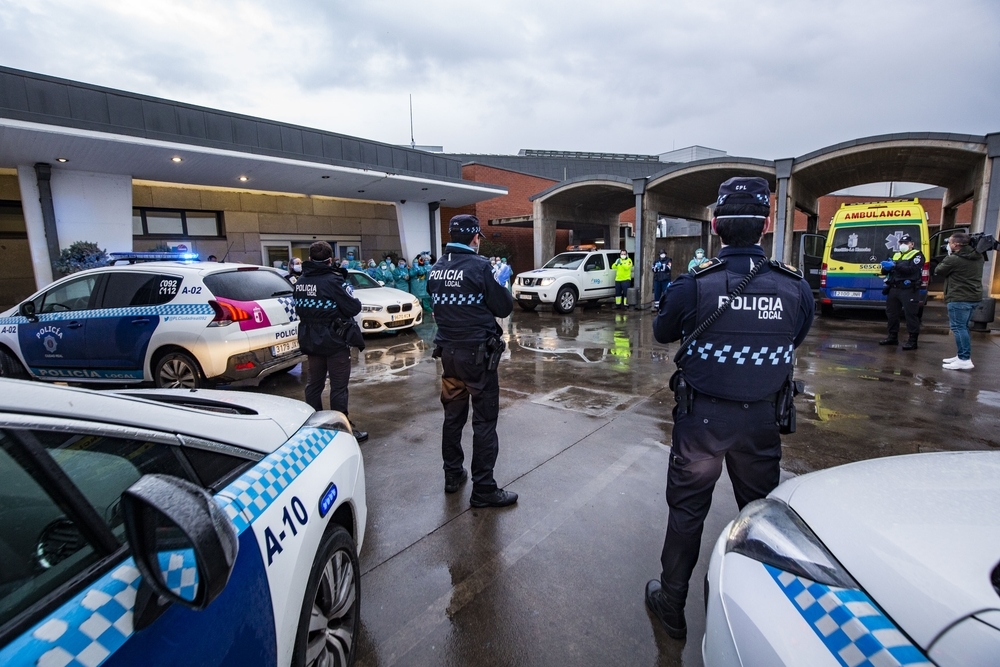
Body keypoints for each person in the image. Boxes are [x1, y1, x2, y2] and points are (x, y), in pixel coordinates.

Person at [646, 177, 813, 640]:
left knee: (686, 512)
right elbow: (794, 337)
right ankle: (764, 614)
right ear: (765, 226)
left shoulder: (693, 284)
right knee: (759, 516)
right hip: (762, 419)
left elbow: (662, 333)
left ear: (716, 225)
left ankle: (672, 604)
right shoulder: (793, 286)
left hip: (702, 421)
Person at [427, 215, 516, 507]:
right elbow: (503, 306)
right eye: (478, 237)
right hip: (477, 359)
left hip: (449, 356)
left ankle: (452, 475)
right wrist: (500, 284)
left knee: (453, 418)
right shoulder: (480, 267)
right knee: (484, 421)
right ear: (475, 238)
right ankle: (484, 489)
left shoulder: (436, 268)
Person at [293, 241, 368, 443]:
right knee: (338, 386)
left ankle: (314, 425)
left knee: (314, 384)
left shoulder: (300, 282)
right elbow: (353, 307)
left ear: (309, 260)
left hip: (311, 340)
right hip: (335, 341)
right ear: (330, 260)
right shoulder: (334, 281)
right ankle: (340, 427)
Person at [935, 231, 984, 370]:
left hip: (959, 297)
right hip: (973, 296)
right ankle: (962, 355)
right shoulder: (978, 256)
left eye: (950, 243)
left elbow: (939, 270)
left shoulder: (954, 259)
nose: (948, 245)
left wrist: (949, 256)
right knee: (964, 327)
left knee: (959, 328)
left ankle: (964, 359)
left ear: (956, 245)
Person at [878, 233, 924, 350]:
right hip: (894, 288)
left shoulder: (917, 255)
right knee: (891, 314)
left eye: (906, 243)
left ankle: (913, 341)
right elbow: (888, 271)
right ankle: (892, 337)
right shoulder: (896, 255)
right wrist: (885, 268)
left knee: (910, 315)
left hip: (908, 289)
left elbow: (911, 270)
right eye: (901, 243)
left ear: (912, 244)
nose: (903, 245)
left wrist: (894, 266)